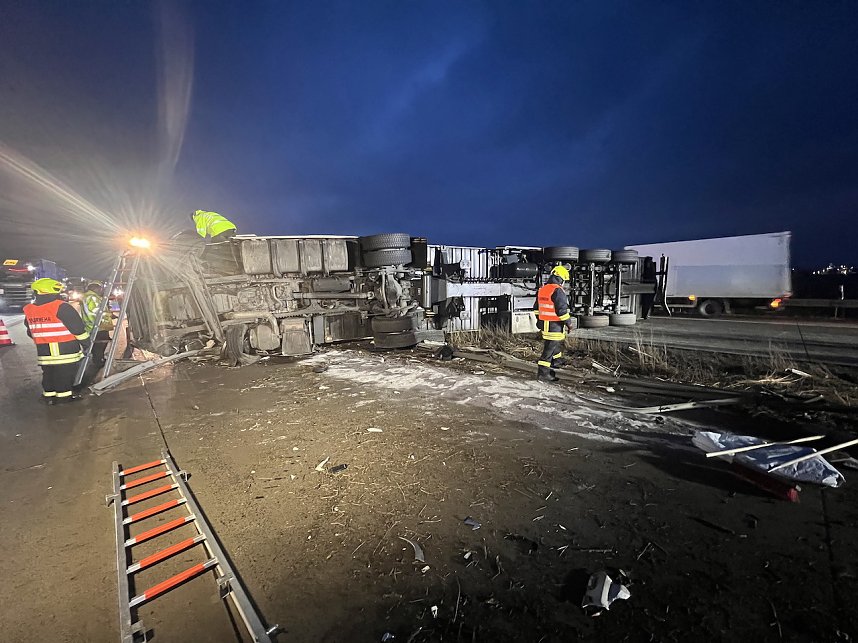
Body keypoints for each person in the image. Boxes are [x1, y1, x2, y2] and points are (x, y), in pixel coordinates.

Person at [23, 278, 89, 403]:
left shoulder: (29, 310)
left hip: (44, 351)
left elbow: (30, 330)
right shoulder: (61, 307)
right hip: (65, 350)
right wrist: (86, 343)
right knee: (64, 374)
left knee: (48, 373)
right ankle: (64, 398)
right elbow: (78, 329)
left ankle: (48, 395)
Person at [536, 265, 574, 383]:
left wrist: (540, 319)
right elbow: (561, 310)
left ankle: (557, 361)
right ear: (561, 278)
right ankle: (543, 373)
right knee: (549, 348)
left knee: (554, 344)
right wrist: (569, 323)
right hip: (554, 324)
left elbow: (536, 308)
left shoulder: (543, 289)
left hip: (545, 323)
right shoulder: (558, 290)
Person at [80, 282, 113, 366]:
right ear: (96, 288)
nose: (101, 290)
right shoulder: (92, 297)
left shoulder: (89, 296)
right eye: (100, 289)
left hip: (95, 326)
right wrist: (109, 315)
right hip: (98, 326)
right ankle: (98, 362)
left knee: (98, 345)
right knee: (99, 345)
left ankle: (99, 359)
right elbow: (96, 311)